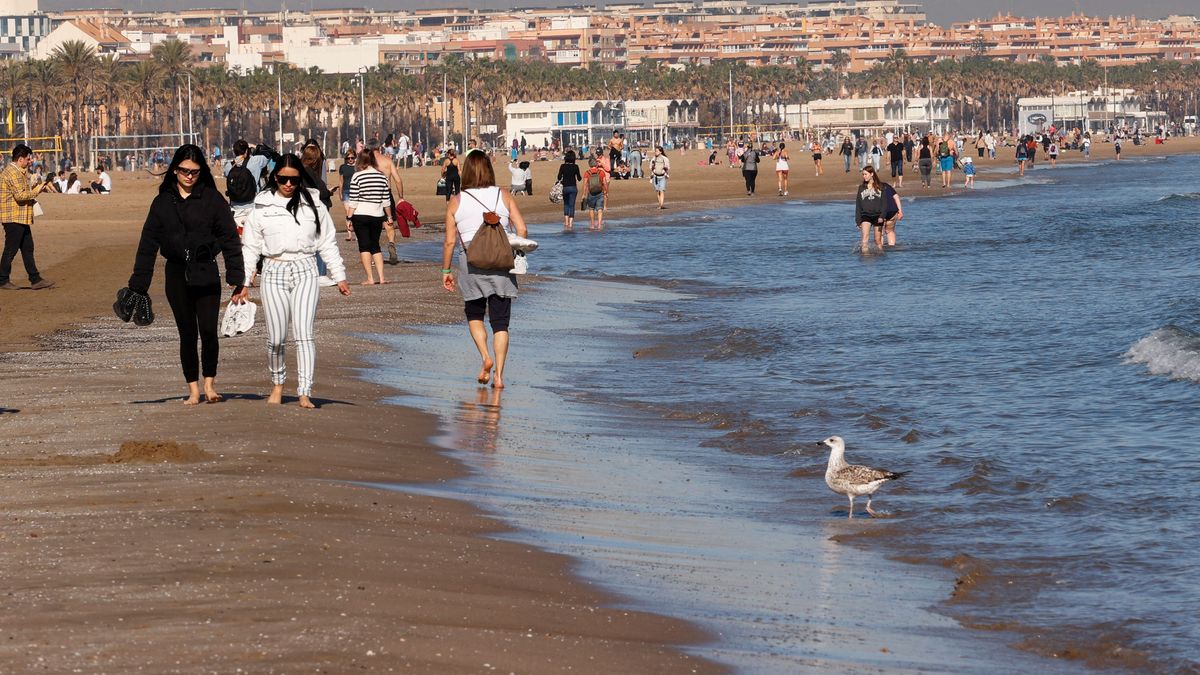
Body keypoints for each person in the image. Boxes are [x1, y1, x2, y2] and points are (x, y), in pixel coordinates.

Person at [126, 144, 244, 404]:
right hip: (177, 274)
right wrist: (139, 284)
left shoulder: (213, 200)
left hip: (206, 272)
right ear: (175, 170)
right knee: (187, 333)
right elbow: (148, 244)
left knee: (208, 331)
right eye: (183, 171)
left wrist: (238, 279)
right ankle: (193, 389)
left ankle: (210, 385)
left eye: (194, 172)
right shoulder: (162, 203)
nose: (189, 176)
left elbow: (229, 239)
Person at [232, 154, 351, 409]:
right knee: (276, 338)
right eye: (283, 179)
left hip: (306, 269)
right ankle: (277, 384)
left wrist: (339, 275)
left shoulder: (314, 204)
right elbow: (250, 246)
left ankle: (304, 391)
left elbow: (327, 241)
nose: (288, 184)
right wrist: (244, 280)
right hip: (273, 270)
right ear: (275, 177)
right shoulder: (261, 206)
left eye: (293, 179)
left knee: (304, 334)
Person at [440, 149, 528, 390]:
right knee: (501, 323)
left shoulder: (456, 201)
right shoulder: (504, 195)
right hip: (501, 261)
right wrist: (515, 251)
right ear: (489, 169)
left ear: (465, 171)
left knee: (475, 314)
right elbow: (522, 229)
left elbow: (449, 241)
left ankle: (484, 357)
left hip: (471, 261)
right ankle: (499, 375)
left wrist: (446, 271)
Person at [0, 144, 55, 291]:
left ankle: (35, 279)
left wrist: (39, 186)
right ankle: (3, 279)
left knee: (27, 248)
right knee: (11, 249)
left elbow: (25, 190)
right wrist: (37, 190)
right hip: (13, 217)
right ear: (20, 159)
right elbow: (20, 196)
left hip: (20, 216)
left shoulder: (19, 171)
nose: (30, 161)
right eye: (28, 158)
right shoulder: (12, 173)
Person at [344, 149, 392, 285]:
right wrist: (389, 217)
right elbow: (386, 200)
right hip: (377, 215)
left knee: (364, 246)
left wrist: (349, 218)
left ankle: (370, 278)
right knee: (375, 246)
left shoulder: (357, 176)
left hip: (360, 215)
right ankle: (382, 277)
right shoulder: (382, 176)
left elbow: (353, 200)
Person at [367, 138, 404, 265]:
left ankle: (373, 255)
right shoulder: (387, 160)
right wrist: (401, 197)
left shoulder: (367, 162)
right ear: (379, 147)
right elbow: (398, 180)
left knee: (373, 225)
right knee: (389, 223)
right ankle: (391, 244)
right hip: (386, 193)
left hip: (371, 195)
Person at [855, 166, 888, 255]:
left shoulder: (880, 186)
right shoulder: (861, 188)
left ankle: (881, 256)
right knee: (864, 239)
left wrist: (882, 216)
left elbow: (885, 204)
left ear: (872, 174)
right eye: (863, 174)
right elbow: (858, 204)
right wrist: (858, 220)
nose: (864, 176)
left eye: (866, 174)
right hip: (866, 215)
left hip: (878, 216)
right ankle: (865, 258)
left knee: (877, 240)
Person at [556, 150, 581, 230]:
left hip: (565, 187)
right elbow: (579, 178)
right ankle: (570, 223)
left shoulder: (562, 166)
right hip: (573, 187)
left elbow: (559, 177)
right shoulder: (576, 166)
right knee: (572, 205)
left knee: (566, 204)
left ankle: (566, 222)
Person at [581, 157, 609, 230]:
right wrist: (606, 191)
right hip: (600, 192)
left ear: (589, 164)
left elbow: (585, 184)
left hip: (591, 193)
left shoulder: (587, 173)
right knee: (600, 209)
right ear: (596, 164)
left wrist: (584, 194)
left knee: (591, 209)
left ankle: (592, 224)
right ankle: (599, 225)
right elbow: (604, 183)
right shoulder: (601, 172)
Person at [337, 152, 357, 240]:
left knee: (355, 213)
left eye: (352, 158)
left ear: (355, 158)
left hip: (356, 191)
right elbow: (341, 181)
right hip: (346, 191)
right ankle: (349, 235)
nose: (350, 160)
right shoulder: (343, 167)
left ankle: (357, 233)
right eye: (348, 158)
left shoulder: (358, 167)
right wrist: (339, 192)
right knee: (348, 212)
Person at [882, 179, 903, 248]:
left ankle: (880, 249)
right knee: (890, 231)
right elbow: (896, 197)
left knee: (880, 233)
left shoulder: (873, 187)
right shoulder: (887, 186)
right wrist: (900, 211)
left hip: (882, 212)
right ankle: (892, 248)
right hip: (893, 211)